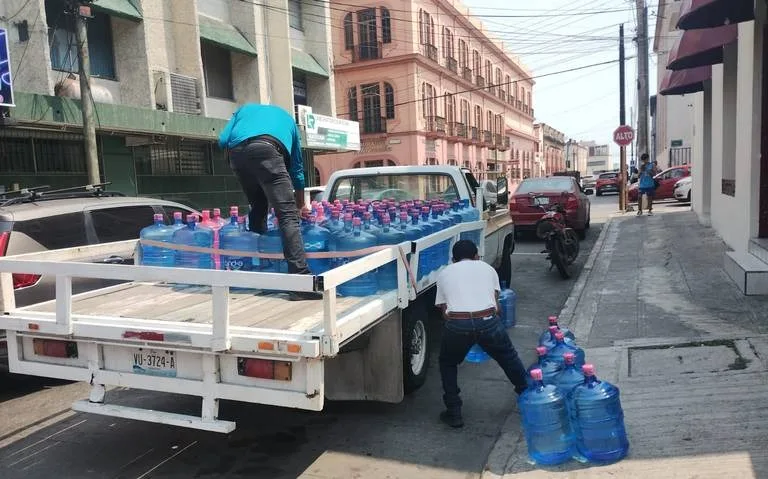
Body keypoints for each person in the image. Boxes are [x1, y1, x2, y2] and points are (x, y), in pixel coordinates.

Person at [218, 103, 320, 300]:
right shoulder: (290, 121)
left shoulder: (242, 111)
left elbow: (222, 140)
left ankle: (259, 272)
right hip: (267, 149)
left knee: (259, 207)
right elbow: (297, 169)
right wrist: (299, 205)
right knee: (287, 216)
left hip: (236, 156)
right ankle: (300, 282)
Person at [434, 240, 528, 428]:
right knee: (509, 358)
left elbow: (444, 313)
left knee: (448, 363)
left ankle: (454, 412)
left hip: (458, 324)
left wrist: (464, 324)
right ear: (477, 256)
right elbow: (498, 308)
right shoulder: (488, 269)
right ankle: (529, 396)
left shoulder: (444, 273)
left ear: (453, 259)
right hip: (488, 322)